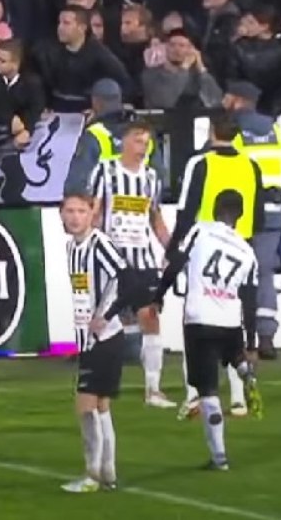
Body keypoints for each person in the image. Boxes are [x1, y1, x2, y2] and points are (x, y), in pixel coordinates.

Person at [156, 190, 264, 471]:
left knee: (207, 391)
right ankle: (243, 369)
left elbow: (177, 262)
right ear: (239, 217)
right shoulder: (247, 252)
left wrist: (159, 294)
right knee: (232, 352)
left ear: (214, 210)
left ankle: (219, 457)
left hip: (199, 319)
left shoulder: (199, 232)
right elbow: (251, 299)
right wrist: (251, 343)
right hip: (230, 321)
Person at [171, 112, 266, 417]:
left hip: (205, 248)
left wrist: (174, 251)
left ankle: (194, 396)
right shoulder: (250, 165)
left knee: (195, 321)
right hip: (242, 248)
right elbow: (259, 214)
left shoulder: (200, 164)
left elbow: (187, 211)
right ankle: (238, 397)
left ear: (212, 131)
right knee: (232, 321)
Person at [89, 121, 173, 409]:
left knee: (150, 316)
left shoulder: (151, 178)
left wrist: (170, 248)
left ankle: (153, 390)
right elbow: (96, 212)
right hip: (113, 260)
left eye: (147, 142)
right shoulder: (105, 171)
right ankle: (98, 383)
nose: (143, 147)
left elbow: (155, 218)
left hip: (143, 259)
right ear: (124, 142)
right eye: (138, 140)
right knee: (105, 321)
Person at [59, 192, 128, 493]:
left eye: (81, 211)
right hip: (90, 340)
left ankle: (92, 475)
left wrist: (106, 314)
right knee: (100, 407)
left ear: (92, 214)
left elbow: (127, 278)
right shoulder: (72, 248)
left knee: (85, 406)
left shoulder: (100, 245)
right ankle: (107, 473)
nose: (75, 217)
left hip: (104, 339)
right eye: (69, 211)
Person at [223, 81, 281, 360]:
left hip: (242, 213)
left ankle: (237, 338)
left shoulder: (230, 129)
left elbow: (220, 166)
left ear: (237, 100)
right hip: (274, 209)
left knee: (231, 275)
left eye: (228, 96)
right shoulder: (273, 128)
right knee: (263, 274)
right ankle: (265, 336)